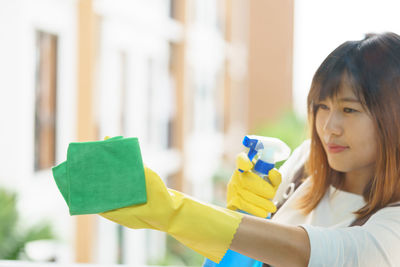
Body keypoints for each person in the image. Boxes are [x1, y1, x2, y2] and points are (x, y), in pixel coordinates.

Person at [100, 32, 400, 267]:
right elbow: (243, 252)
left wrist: (171, 210)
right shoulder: (306, 163)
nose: (329, 127)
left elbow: (303, 253)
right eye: (322, 106)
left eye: (349, 110)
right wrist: (244, 213)